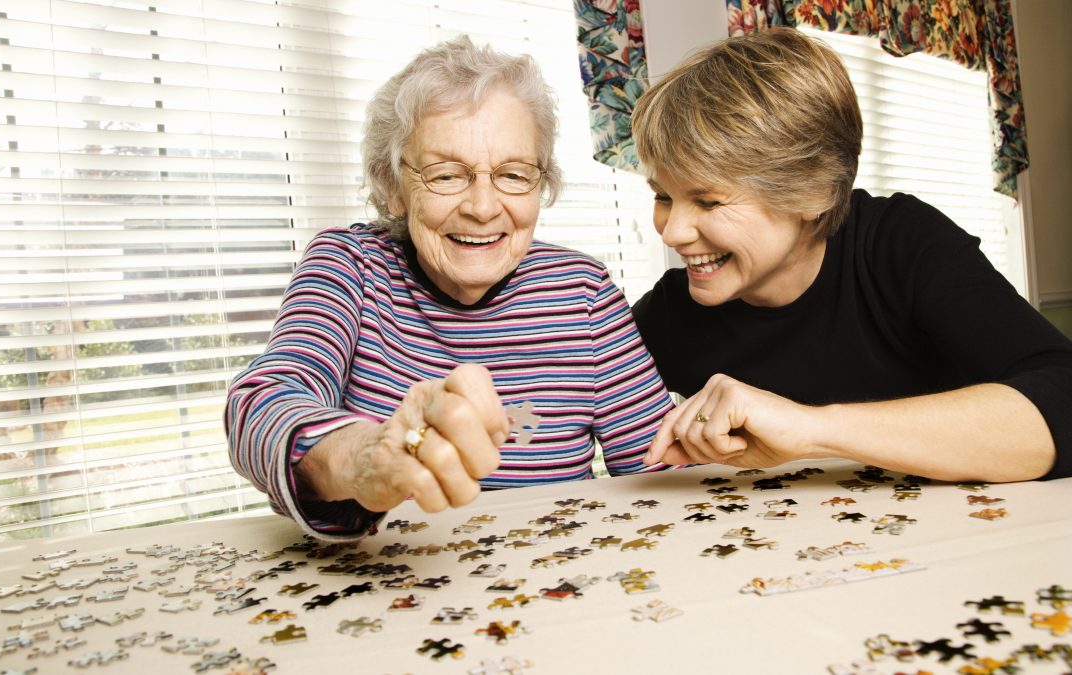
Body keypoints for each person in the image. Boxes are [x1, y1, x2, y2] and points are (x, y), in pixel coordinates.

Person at [225, 36, 674, 540]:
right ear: (392, 186)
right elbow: (261, 403)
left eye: (512, 174)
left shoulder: (584, 293)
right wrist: (364, 457)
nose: (483, 208)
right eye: (445, 175)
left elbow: (662, 472)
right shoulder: (349, 265)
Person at [629, 27, 1072, 483]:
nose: (673, 231)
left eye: (708, 201)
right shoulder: (671, 310)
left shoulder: (902, 243)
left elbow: (1064, 397)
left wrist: (811, 429)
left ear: (813, 191)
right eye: (663, 196)